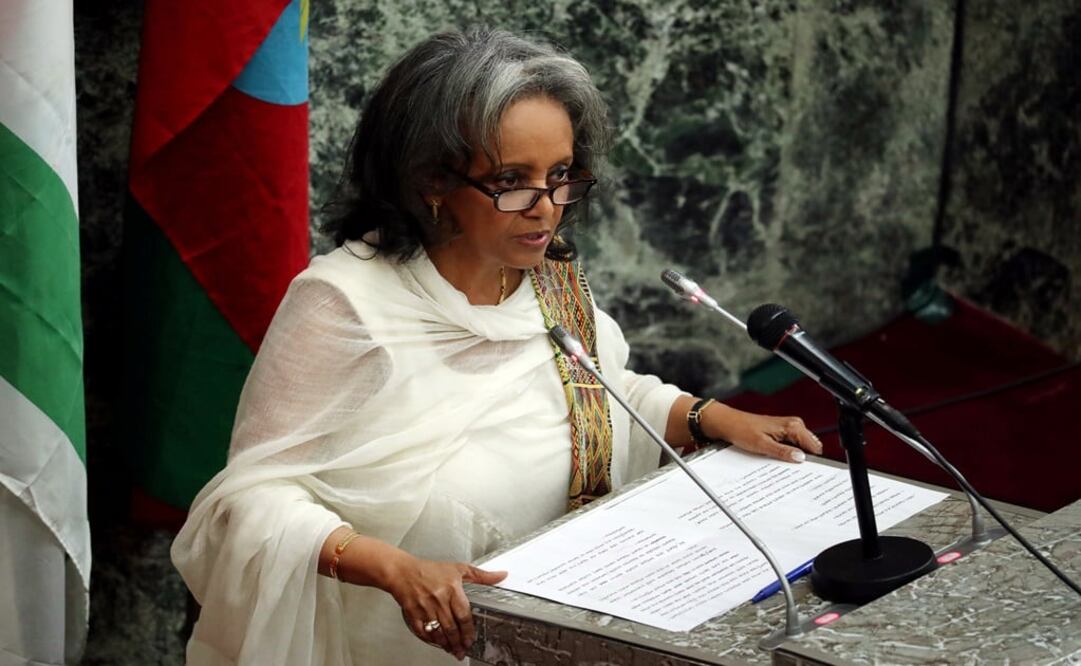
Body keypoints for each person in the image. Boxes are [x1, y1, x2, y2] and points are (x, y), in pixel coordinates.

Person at [171, 28, 822, 666]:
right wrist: (395, 569)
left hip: (556, 623)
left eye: (562, 174)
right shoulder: (345, 303)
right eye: (513, 179)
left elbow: (595, 389)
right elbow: (247, 503)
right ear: (431, 179)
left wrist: (709, 418)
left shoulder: (548, 277)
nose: (546, 209)